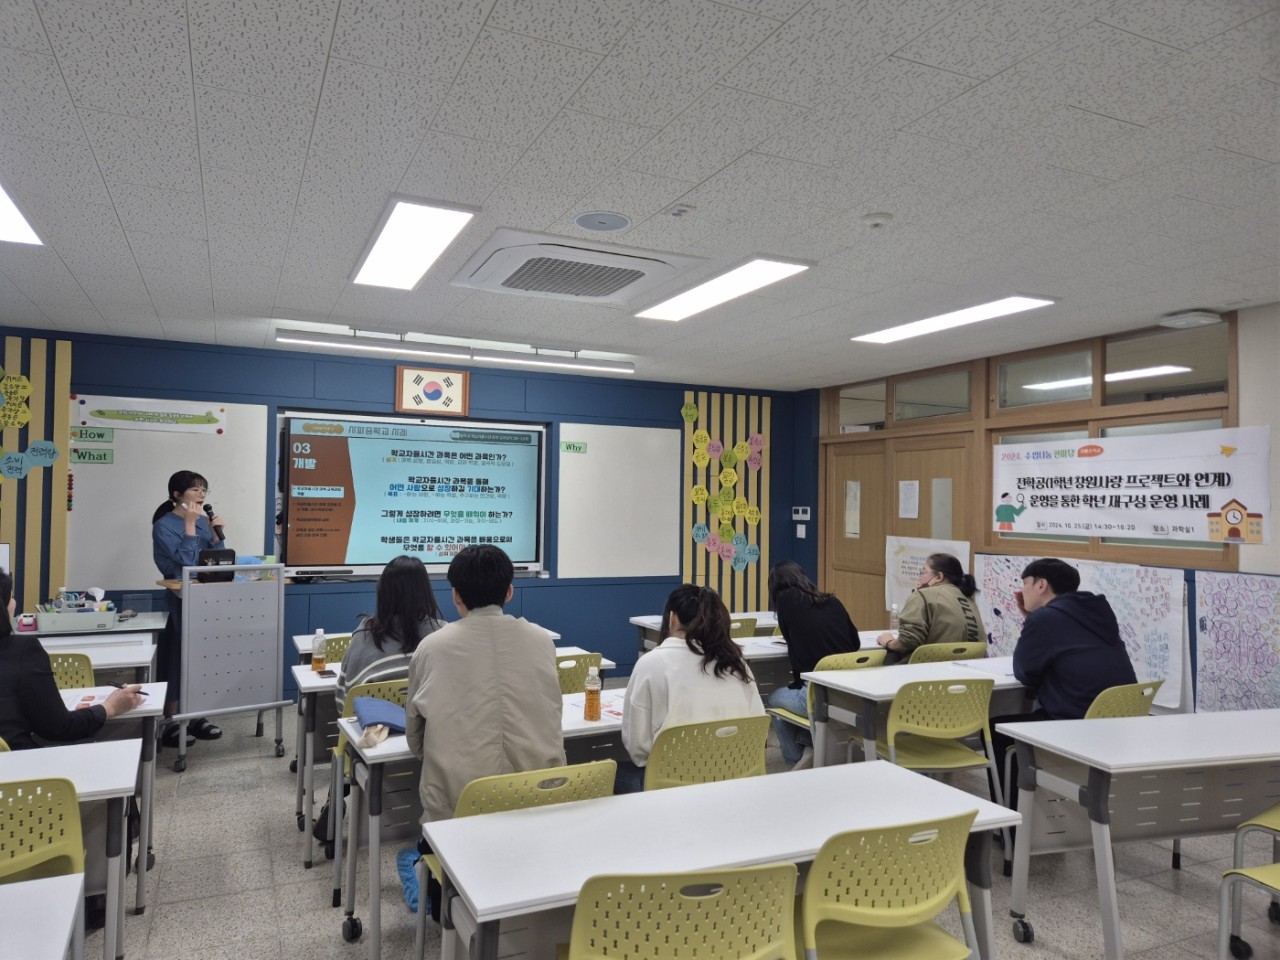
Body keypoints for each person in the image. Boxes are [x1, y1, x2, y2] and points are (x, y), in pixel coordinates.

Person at [405, 544, 565, 920]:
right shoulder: (542, 640)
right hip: (540, 806)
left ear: (456, 595)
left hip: (459, 819)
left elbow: (416, 740)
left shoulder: (431, 648)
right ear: (509, 592)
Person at [992, 558, 1138, 805]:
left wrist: (1031, 619)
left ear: (1041, 585)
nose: (1021, 590)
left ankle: (1012, 820)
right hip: (1117, 719)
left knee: (998, 729)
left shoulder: (1044, 619)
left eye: (1025, 583)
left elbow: (1024, 672)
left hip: (1073, 722)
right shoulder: (1099, 610)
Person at [616, 584, 765, 793]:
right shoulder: (735, 662)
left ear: (672, 618)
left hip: (672, 786)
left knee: (608, 773)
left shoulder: (651, 663)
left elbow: (638, 748)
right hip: (736, 778)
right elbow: (758, 722)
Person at [0, 569, 145, 749]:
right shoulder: (22, 651)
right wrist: (110, 707)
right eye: (11, 597)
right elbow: (59, 728)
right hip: (19, 770)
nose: (15, 603)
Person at [151, 469, 226, 746]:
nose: (201, 495)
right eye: (195, 490)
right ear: (176, 495)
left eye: (204, 490)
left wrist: (218, 539)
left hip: (207, 601)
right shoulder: (164, 526)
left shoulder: (206, 523)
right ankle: (170, 721)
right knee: (178, 659)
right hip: (181, 602)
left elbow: (217, 563)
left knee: (202, 659)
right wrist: (191, 527)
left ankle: (195, 716)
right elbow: (186, 565)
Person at [766, 560, 860, 770]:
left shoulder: (785, 600)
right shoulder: (833, 602)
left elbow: (793, 643)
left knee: (772, 699)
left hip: (816, 695)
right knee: (796, 694)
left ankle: (795, 757)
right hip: (849, 693)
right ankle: (809, 745)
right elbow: (856, 643)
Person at [336, 555, 446, 713]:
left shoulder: (364, 636)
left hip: (373, 732)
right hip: (430, 732)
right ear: (425, 592)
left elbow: (344, 702)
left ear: (383, 591)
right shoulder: (442, 633)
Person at [877, 552, 984, 664]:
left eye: (924, 572)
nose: (920, 576)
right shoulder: (969, 599)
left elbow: (908, 641)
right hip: (968, 672)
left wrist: (888, 642)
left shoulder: (923, 595)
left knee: (889, 655)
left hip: (930, 671)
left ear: (939, 577)